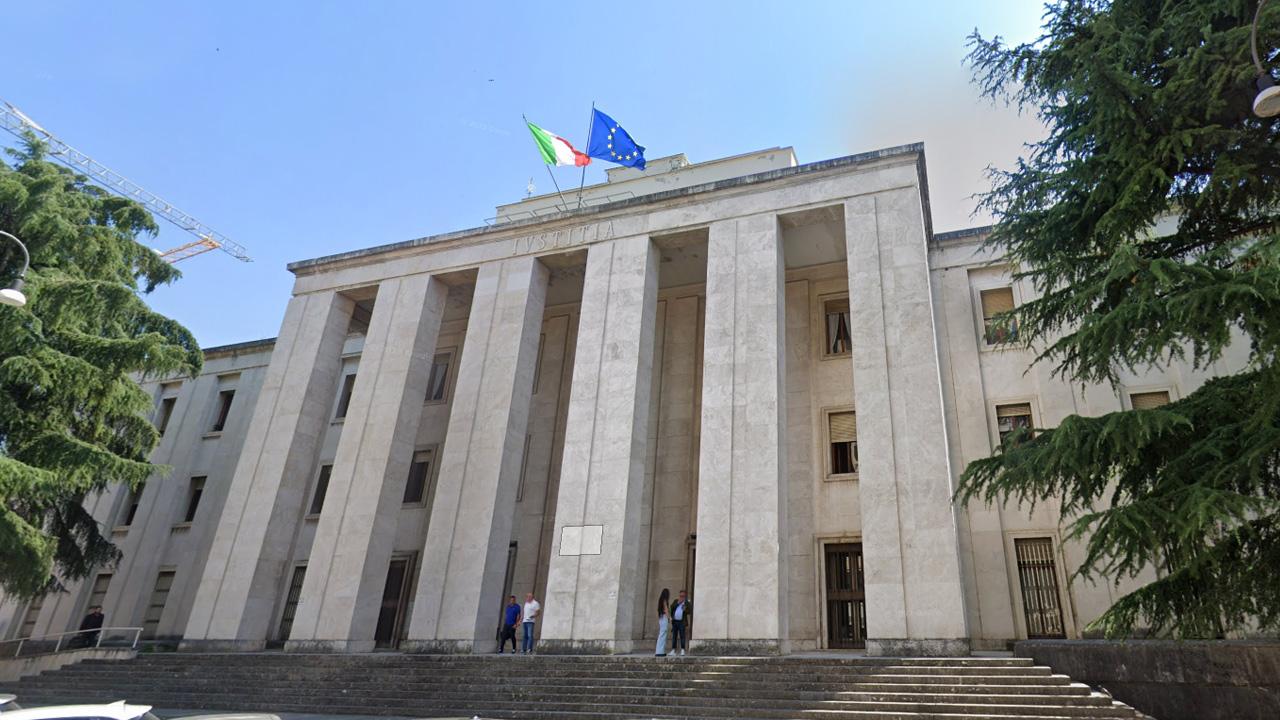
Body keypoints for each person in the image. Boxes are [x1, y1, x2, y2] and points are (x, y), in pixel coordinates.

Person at [670, 590, 692, 656]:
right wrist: (678, 603)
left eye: (683, 596)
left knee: (682, 636)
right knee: (674, 636)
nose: (681, 597)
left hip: (682, 622)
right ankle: (673, 650)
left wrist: (685, 610)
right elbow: (671, 607)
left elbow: (690, 611)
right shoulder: (676, 601)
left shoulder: (687, 603)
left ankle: (682, 650)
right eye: (680, 596)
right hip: (675, 621)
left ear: (685, 596)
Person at [654, 588, 670, 657]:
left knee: (662, 634)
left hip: (661, 617)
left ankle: (660, 651)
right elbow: (666, 610)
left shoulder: (660, 600)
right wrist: (669, 618)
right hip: (664, 617)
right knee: (663, 634)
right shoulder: (664, 600)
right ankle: (659, 651)